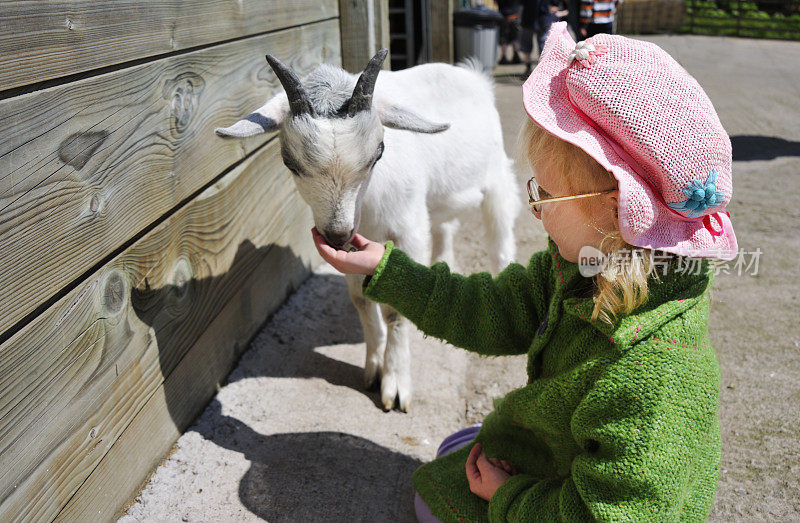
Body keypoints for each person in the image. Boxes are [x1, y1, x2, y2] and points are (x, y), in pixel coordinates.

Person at [312, 22, 737, 521]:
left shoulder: (656, 374)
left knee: (429, 502)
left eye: (546, 195)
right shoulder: (578, 270)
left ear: (614, 210)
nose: (534, 206)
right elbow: (487, 309)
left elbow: (611, 514)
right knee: (460, 446)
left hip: (577, 505)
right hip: (565, 455)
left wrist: (508, 498)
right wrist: (387, 269)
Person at [519, 0, 569, 77]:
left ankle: (540, 69)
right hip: (533, 18)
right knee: (532, 44)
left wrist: (553, 7)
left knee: (542, 45)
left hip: (541, 18)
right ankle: (531, 68)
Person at [497, 0, 522, 65]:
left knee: (503, 38)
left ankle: (503, 57)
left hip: (503, 16)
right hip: (514, 16)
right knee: (515, 37)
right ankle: (516, 55)